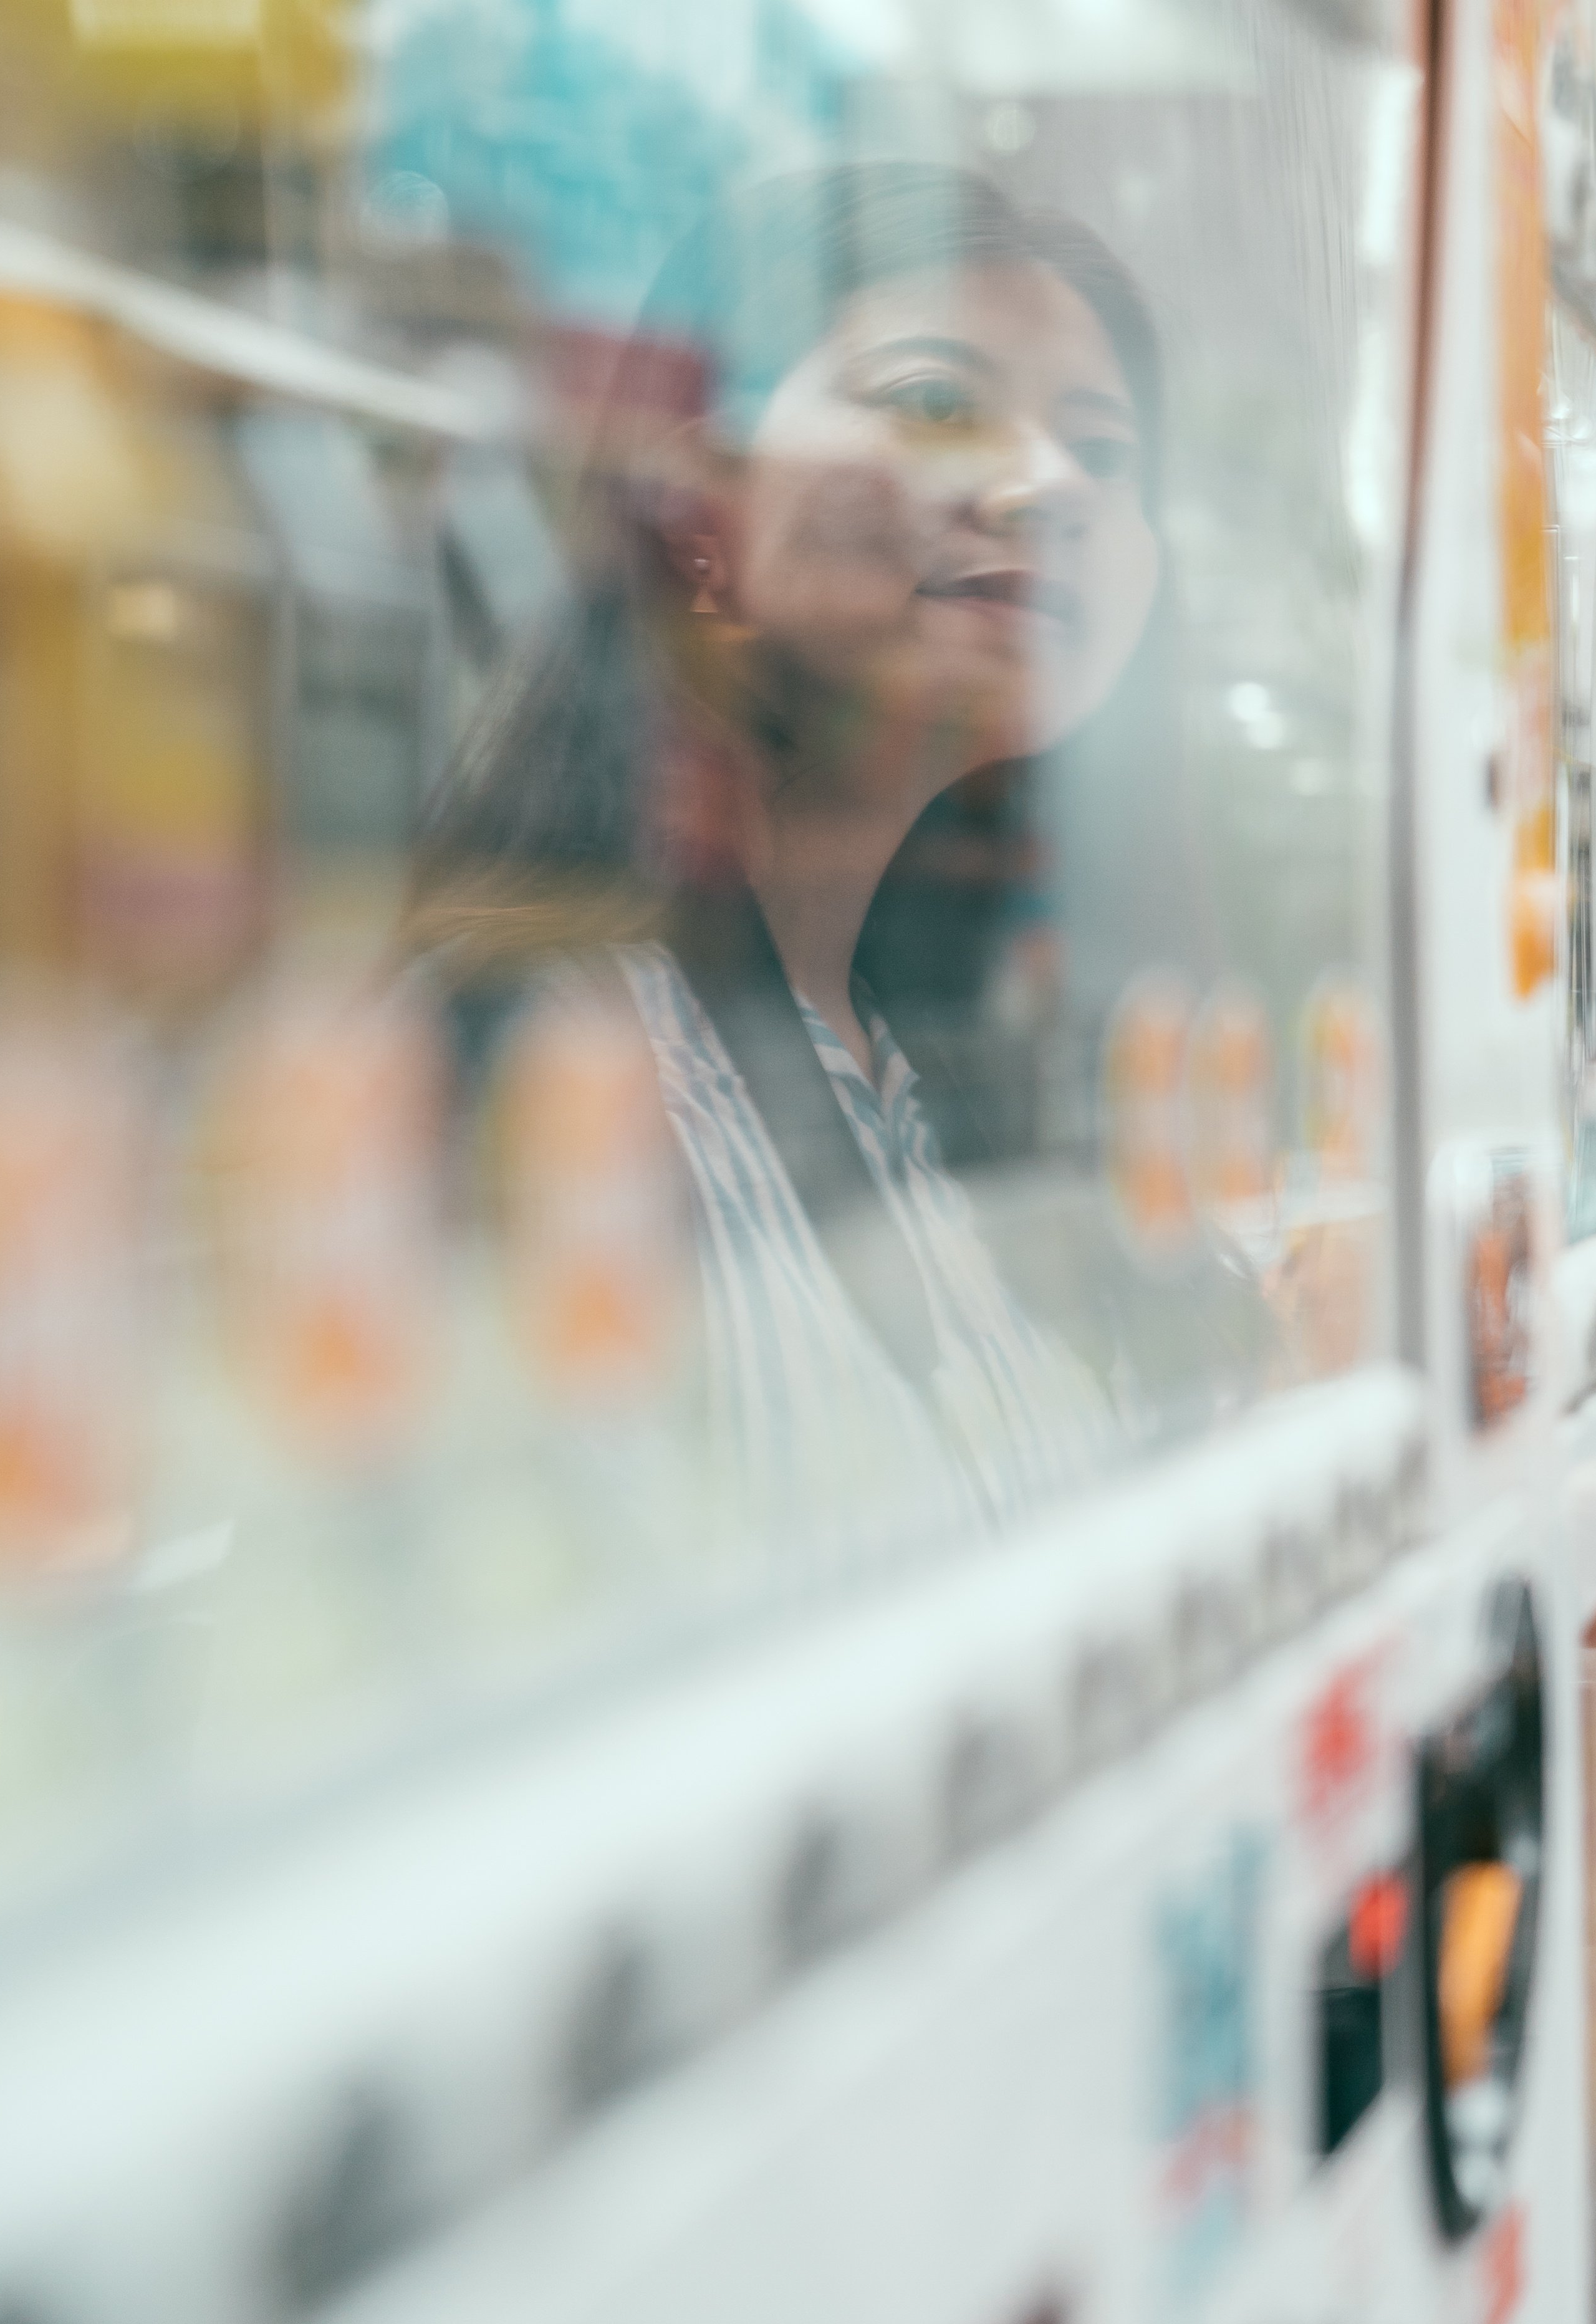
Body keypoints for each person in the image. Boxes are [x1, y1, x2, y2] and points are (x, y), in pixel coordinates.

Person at [411, 164, 1270, 1557]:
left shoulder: (936, 1078)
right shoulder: (543, 1075)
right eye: (938, 401)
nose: (1047, 484)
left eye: (1102, 453)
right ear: (692, 497)